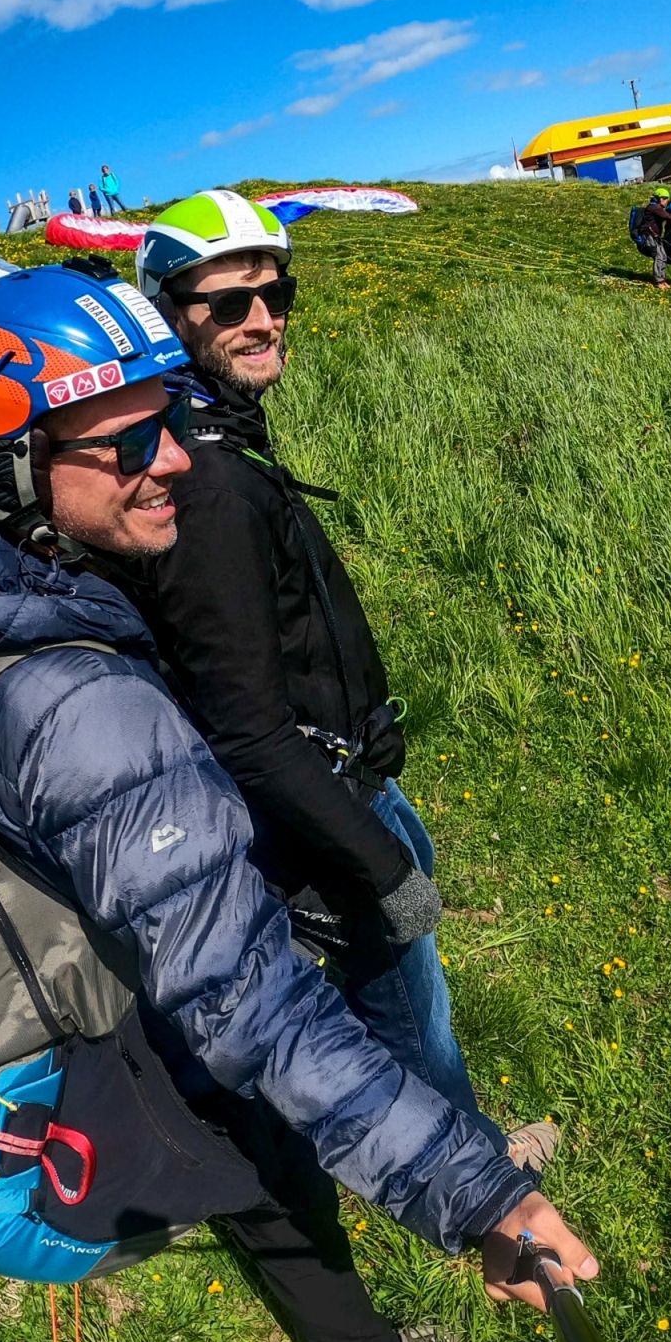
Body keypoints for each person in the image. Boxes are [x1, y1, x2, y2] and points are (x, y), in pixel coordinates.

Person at [0, 263, 594, 1342]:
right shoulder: (82, 710)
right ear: (13, 467)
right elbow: (242, 998)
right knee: (260, 1146)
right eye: (129, 444)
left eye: (172, 421)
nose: (176, 459)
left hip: (103, 956)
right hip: (132, 1011)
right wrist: (477, 1194)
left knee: (256, 1159)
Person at [122, 192, 559, 1174]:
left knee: (386, 998)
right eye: (226, 303)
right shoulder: (210, 485)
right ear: (164, 314)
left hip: (342, 776)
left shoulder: (215, 438)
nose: (262, 319)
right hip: (319, 808)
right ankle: (476, 1187)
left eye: (276, 294)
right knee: (410, 1012)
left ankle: (394, 1140)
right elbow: (242, 725)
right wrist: (376, 860)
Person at [639, 188, 671, 291]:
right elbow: (668, 217)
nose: (666, 201)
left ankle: (662, 280)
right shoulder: (654, 208)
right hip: (650, 236)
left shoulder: (656, 207)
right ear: (660, 199)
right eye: (665, 199)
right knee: (659, 256)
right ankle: (659, 281)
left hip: (655, 236)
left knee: (663, 256)